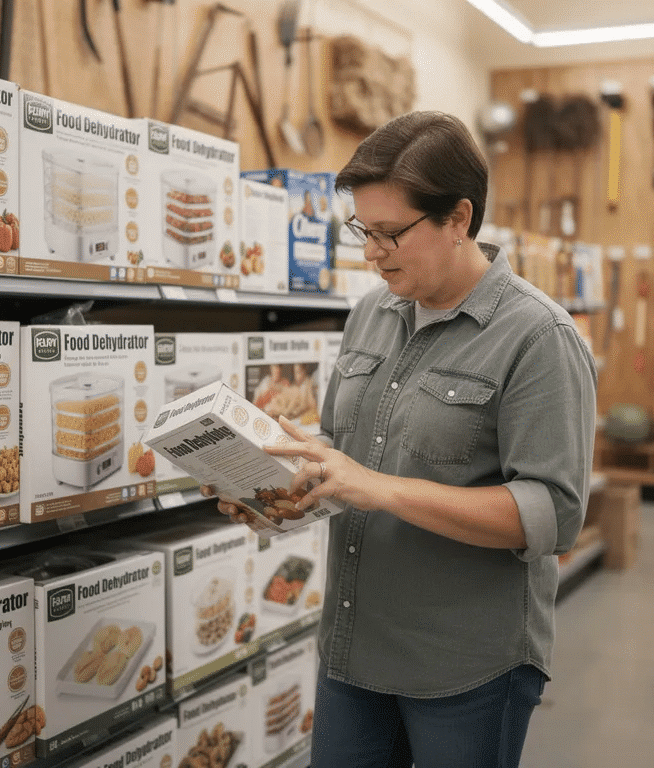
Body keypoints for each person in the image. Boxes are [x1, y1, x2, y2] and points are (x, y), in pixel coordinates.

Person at [206, 110, 596, 767]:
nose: (370, 252)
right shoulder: (370, 313)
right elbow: (344, 451)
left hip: (465, 669)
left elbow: (550, 514)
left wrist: (380, 489)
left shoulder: (537, 338)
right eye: (363, 229)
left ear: (459, 219)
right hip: (353, 649)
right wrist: (275, 478)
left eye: (389, 233)